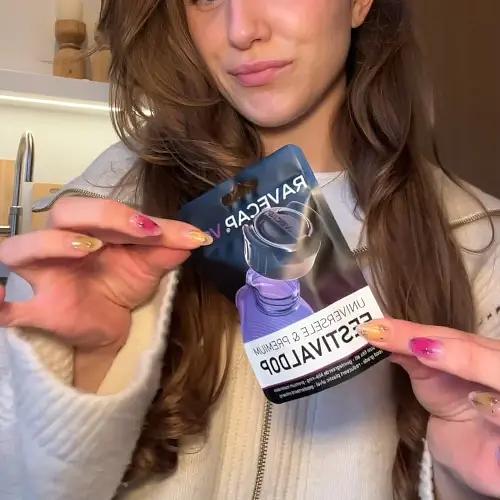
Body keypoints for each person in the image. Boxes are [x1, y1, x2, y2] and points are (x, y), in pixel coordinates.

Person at [0, 0, 499, 498]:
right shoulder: (95, 218)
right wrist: (91, 367)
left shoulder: (478, 238)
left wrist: (459, 480)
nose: (241, 30)